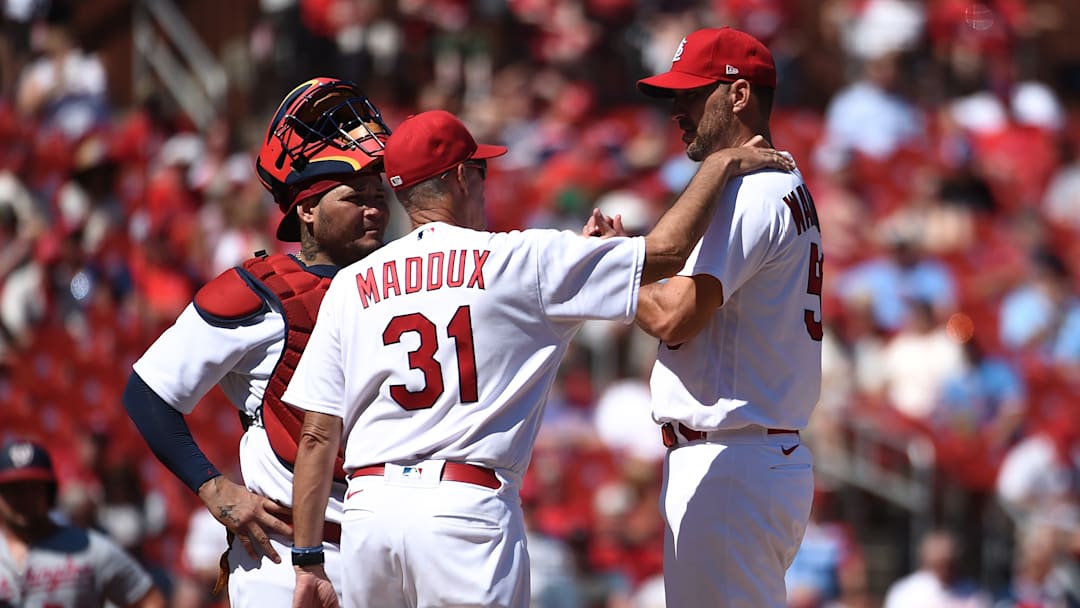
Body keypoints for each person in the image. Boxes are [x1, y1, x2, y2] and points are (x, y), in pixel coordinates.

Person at [284, 108, 794, 608]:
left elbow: (316, 434)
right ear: (463, 176)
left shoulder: (351, 284)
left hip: (368, 513)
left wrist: (307, 559)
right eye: (480, 171)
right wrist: (720, 163)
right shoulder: (515, 258)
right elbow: (668, 251)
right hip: (463, 512)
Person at [121, 77, 392, 607]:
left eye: (378, 197)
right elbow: (146, 392)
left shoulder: (399, 281)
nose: (374, 209)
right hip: (284, 561)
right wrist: (215, 489)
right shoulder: (257, 291)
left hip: (380, 556)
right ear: (307, 210)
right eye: (355, 197)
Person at [625, 26, 825, 607]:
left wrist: (605, 271)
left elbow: (676, 316)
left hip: (731, 458)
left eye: (692, 95)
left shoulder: (752, 190)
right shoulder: (779, 183)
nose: (678, 112)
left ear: (738, 95)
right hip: (749, 455)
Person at [0, 439, 166, 607]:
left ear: (49, 493)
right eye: (13, 489)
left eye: (32, 489)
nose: (22, 498)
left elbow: (149, 599)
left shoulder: (89, 547)